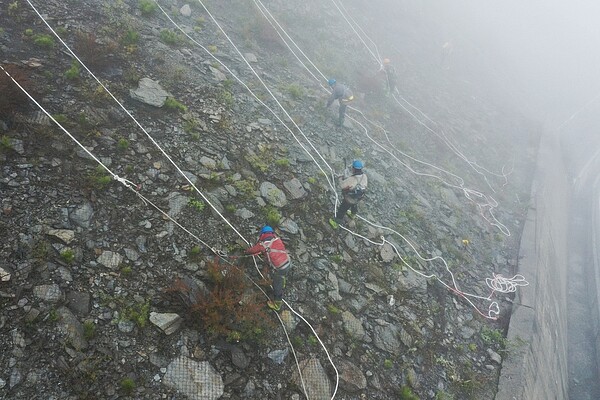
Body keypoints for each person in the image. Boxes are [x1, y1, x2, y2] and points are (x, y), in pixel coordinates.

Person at [245, 225, 292, 311]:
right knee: (282, 275)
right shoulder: (277, 239)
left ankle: (277, 304)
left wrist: (246, 251)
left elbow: (252, 251)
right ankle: (283, 282)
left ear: (262, 234)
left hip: (280, 268)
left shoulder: (262, 245)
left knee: (276, 284)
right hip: (288, 263)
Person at [330, 159, 368, 227]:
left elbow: (342, 186)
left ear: (354, 168)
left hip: (349, 199)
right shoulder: (364, 176)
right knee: (354, 205)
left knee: (342, 209)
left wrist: (341, 178)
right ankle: (353, 215)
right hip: (358, 198)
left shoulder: (352, 179)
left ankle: (336, 223)